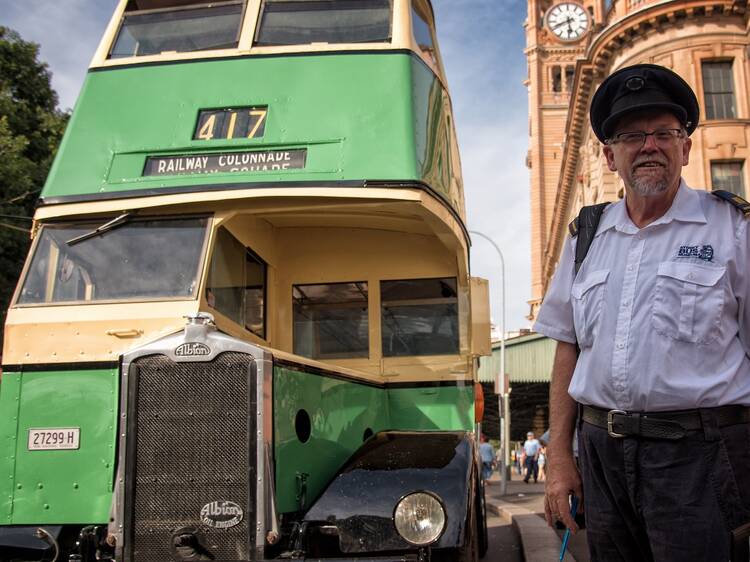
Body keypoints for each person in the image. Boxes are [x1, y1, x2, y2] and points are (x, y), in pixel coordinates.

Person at [534, 63, 750, 562]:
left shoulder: (732, 228)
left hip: (700, 459)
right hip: (602, 456)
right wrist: (560, 458)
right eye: (632, 135)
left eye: (664, 133)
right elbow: (568, 347)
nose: (649, 145)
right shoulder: (586, 235)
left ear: (685, 148)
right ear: (610, 156)